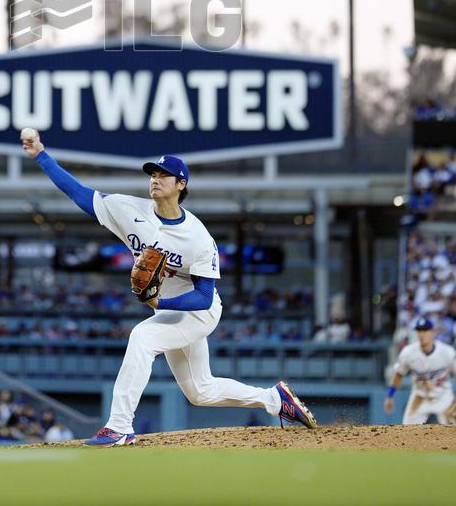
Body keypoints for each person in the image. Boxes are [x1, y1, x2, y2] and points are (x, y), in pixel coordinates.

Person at [20, 129, 317, 447]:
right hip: (169, 310)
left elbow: (204, 298)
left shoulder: (198, 237)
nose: (156, 179)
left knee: (142, 337)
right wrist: (41, 155)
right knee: (200, 392)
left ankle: (119, 426)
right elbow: (77, 192)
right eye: (153, 173)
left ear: (181, 184)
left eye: (165, 175)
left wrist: (161, 303)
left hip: (197, 311)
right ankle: (275, 400)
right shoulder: (128, 209)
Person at [384, 317, 456, 424]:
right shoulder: (408, 352)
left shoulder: (447, 352)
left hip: (443, 397)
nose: (422, 334)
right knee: (407, 431)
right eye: (419, 331)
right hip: (419, 397)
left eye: (425, 330)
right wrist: (390, 396)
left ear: (433, 333)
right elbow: (399, 373)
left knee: (453, 432)